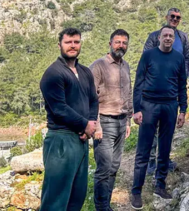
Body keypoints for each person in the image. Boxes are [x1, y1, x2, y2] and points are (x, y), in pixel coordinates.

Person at [39, 28, 98, 211]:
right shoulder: (53, 73)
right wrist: (84, 124)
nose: (73, 46)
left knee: (77, 196)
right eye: (68, 42)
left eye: (76, 42)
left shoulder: (85, 72)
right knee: (55, 200)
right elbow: (59, 109)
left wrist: (91, 124)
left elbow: (93, 100)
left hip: (81, 140)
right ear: (60, 45)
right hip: (61, 140)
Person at [131, 25, 187, 208]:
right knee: (144, 149)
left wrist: (183, 110)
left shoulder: (179, 58)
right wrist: (137, 109)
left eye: (171, 36)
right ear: (159, 38)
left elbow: (182, 85)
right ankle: (136, 191)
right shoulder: (148, 56)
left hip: (170, 106)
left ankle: (160, 185)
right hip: (149, 105)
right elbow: (138, 83)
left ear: (173, 39)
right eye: (165, 35)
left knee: (164, 148)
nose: (168, 38)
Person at [143, 8, 189, 175]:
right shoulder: (154, 36)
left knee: (167, 128)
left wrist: (183, 77)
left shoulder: (183, 38)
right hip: (154, 90)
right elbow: (146, 58)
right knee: (153, 127)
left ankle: (164, 159)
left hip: (173, 89)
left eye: (178, 17)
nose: (175, 19)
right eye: (172, 16)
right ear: (167, 17)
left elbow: (186, 59)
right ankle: (150, 161)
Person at [90, 29, 132, 211]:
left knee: (114, 166)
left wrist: (128, 120)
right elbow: (90, 97)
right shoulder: (98, 66)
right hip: (104, 122)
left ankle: (106, 204)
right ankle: (101, 207)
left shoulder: (126, 66)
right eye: (117, 42)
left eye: (124, 43)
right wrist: (96, 125)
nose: (121, 46)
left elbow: (128, 94)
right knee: (104, 169)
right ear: (110, 44)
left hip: (121, 122)